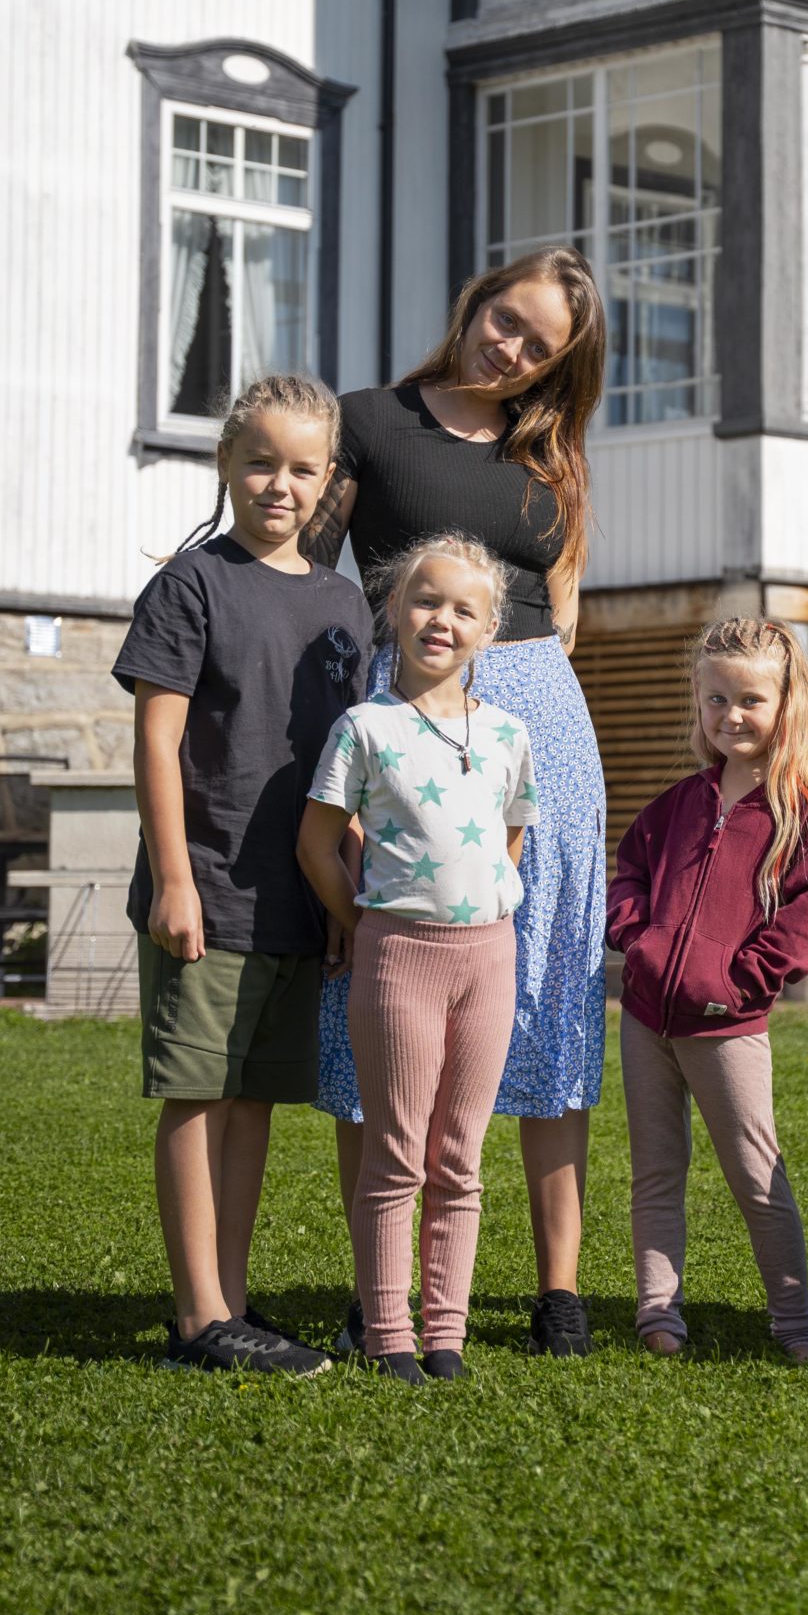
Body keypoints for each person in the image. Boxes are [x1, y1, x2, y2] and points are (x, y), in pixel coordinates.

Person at [302, 252, 608, 1358]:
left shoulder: (553, 453)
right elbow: (311, 572)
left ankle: (556, 1289)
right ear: (472, 301)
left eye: (540, 345)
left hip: (535, 725)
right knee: (381, 985)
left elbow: (564, 606)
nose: (511, 351)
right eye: (504, 320)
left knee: (542, 987)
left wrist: (524, 704)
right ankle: (376, 1288)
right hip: (405, 712)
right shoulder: (369, 423)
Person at [115, 374, 372, 1375]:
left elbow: (347, 765)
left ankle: (229, 1301)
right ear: (225, 462)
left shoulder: (345, 603)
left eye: (302, 467)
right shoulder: (191, 585)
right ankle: (197, 1317)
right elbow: (155, 739)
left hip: (294, 897)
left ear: (327, 481)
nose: (279, 483)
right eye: (259, 461)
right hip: (208, 885)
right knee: (197, 1095)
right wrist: (173, 877)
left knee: (254, 1097)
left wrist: (340, 893)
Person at [298, 536, 539, 1385]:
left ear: (490, 629)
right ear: (395, 613)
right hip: (397, 957)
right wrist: (360, 924)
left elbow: (509, 834)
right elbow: (318, 844)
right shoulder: (365, 728)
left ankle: (446, 1335)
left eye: (462, 609)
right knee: (396, 1151)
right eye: (425, 601)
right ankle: (388, 1334)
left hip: (489, 961)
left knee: (459, 1157)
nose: (441, 620)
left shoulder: (510, 733)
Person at [606, 618, 808, 1366]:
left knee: (756, 1176)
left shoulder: (804, 816)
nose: (731, 716)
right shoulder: (678, 804)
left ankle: (794, 1326)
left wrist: (729, 985)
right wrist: (639, 943)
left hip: (727, 1029)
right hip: (647, 1021)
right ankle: (658, 1313)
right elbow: (628, 877)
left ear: (786, 705)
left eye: (749, 699)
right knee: (655, 1170)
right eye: (715, 699)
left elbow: (800, 936)